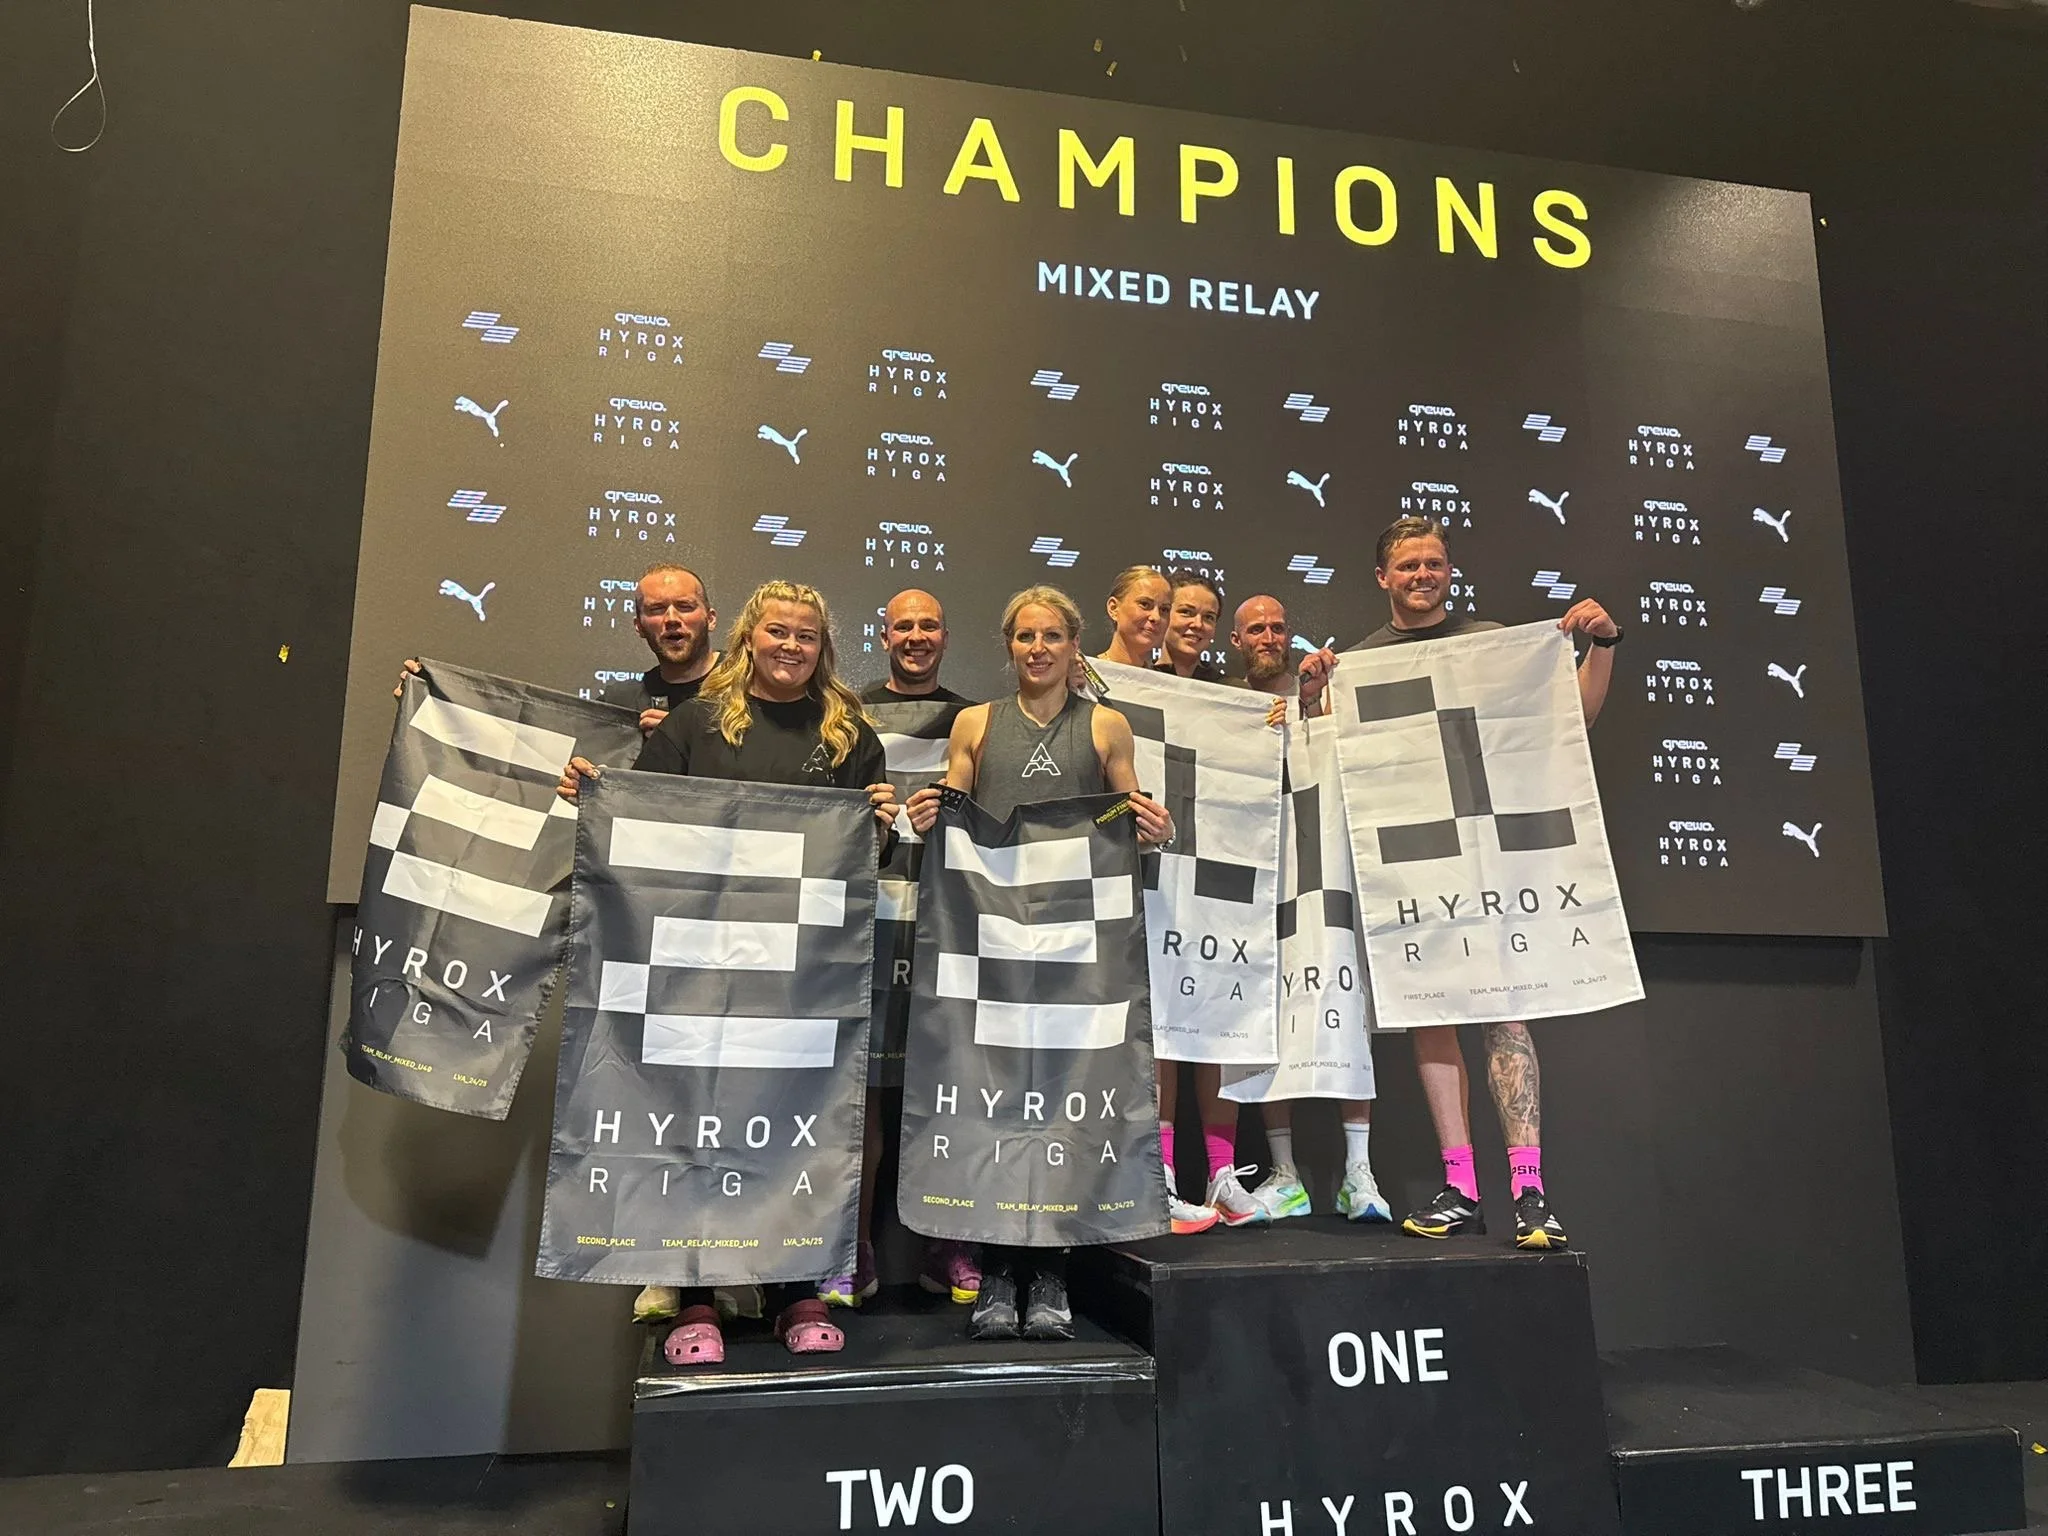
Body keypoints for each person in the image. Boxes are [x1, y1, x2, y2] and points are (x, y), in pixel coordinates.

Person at [558, 579, 899, 1357]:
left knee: (795, 1117)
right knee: (694, 1114)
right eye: (777, 632)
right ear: (749, 636)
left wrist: (879, 827)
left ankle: (796, 1291)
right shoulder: (694, 723)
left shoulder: (850, 733)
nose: (790, 647)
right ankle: (696, 1299)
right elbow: (641, 830)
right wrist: (591, 798)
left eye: (806, 637)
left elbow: (861, 866)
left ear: (823, 648)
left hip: (802, 969)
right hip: (698, 959)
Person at [1298, 517, 1621, 1251]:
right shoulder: (1358, 663)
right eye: (1408, 564)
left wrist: (1600, 645)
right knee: (1431, 1014)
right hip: (1413, 863)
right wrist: (1316, 699)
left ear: (1450, 571)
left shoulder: (1493, 644)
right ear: (1382, 577)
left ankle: (1531, 1190)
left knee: (1506, 1013)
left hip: (1490, 855)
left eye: (1435, 562)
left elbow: (1576, 717)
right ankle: (1463, 1187)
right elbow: (1326, 767)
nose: (1423, 574)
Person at [906, 586, 1175, 1342]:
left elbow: (1132, 817)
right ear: (1008, 646)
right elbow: (952, 819)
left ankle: (1050, 1266)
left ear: (1073, 644)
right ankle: (997, 1265)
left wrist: (1159, 824)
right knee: (990, 1092)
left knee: (1060, 1097)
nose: (1037, 649)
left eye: (1051, 635)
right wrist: (927, 813)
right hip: (989, 941)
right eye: (1024, 636)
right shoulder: (975, 722)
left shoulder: (1106, 723)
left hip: (1077, 947)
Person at [1226, 594, 1390, 1225]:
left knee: (1347, 1015)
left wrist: (1317, 702)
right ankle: (1286, 1175)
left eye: (1277, 626)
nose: (1269, 636)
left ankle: (1358, 1174)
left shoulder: (1324, 689)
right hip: (1257, 879)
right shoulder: (1229, 705)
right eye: (1255, 629)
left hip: (1326, 875)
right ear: (1236, 641)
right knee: (1265, 1021)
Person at [854, 587, 981, 1308]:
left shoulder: (975, 719)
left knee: (948, 1085)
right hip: (867, 918)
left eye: (928, 624)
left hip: (946, 924)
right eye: (902, 624)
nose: (915, 636)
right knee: (864, 1096)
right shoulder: (850, 713)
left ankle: (950, 1243)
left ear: (944, 635)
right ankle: (855, 1243)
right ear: (884, 634)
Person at [1147, 572, 1264, 1228]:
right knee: (1164, 1022)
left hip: (1216, 879)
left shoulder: (1229, 696)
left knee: (1219, 1017)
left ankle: (1221, 1172)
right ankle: (1160, 1170)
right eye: (1182, 611)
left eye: (1206, 615)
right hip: (1153, 876)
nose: (1193, 623)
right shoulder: (1132, 681)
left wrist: (1275, 717)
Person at [396, 562, 715, 734]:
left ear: (710, 618)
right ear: (639, 627)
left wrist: (689, 741)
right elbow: (533, 741)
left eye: (685, 607)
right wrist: (431, 700)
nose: (672, 619)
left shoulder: (753, 686)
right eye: (657, 610)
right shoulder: (622, 702)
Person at [860, 588, 973, 704]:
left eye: (929, 627)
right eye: (903, 627)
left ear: (945, 639)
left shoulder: (973, 717)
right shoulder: (852, 716)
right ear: (885, 640)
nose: (916, 637)